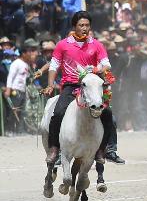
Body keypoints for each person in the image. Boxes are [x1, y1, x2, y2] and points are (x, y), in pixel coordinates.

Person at [43, 11, 120, 165]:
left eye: (87, 25)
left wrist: (95, 69)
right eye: (81, 25)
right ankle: (54, 150)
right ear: (74, 27)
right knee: (58, 113)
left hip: (92, 85)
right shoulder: (63, 44)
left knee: (109, 114)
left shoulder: (96, 44)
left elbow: (106, 65)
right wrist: (51, 84)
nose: (85, 28)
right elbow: (54, 65)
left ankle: (109, 150)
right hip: (71, 85)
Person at [5, 38, 38, 134]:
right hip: (15, 91)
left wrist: (33, 66)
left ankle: (20, 130)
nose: (31, 54)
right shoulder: (16, 63)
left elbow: (28, 79)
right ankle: (9, 130)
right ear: (23, 53)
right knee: (13, 112)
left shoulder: (26, 64)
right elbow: (10, 77)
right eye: (29, 52)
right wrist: (8, 89)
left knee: (22, 112)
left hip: (23, 91)